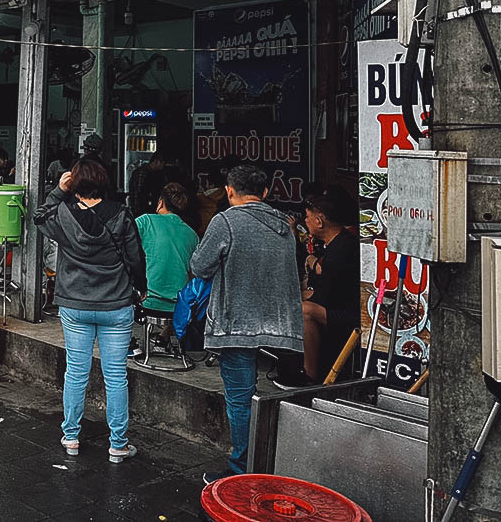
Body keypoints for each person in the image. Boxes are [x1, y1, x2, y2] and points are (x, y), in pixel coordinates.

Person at [190, 164, 303, 482]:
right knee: (270, 399)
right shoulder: (285, 224)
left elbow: (199, 266)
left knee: (240, 399)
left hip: (237, 323)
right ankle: (266, 461)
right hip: (281, 325)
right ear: (265, 193)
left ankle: (243, 469)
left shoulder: (225, 220)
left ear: (228, 191)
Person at [35, 157, 147, 463]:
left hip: (75, 304)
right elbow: (135, 257)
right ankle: (118, 445)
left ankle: (71, 437)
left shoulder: (62, 213)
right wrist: (141, 287)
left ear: (75, 182)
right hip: (116, 305)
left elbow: (39, 217)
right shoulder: (122, 214)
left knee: (76, 373)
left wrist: (59, 191)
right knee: (115, 376)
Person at [296, 186, 360, 385]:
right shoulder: (334, 244)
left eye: (308, 218)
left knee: (304, 310)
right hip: (335, 306)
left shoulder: (343, 249)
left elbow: (327, 297)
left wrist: (303, 296)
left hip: (348, 314)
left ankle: (310, 374)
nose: (305, 222)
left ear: (319, 220)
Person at [135, 183, 199, 316]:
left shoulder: (145, 221)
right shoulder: (192, 234)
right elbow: (193, 275)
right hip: (179, 305)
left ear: (160, 203)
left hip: (147, 301)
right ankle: (164, 335)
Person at [127, 152, 166, 218]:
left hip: (143, 209)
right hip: (140, 210)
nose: (163, 166)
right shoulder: (142, 173)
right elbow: (139, 193)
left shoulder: (150, 172)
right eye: (162, 164)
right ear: (157, 162)